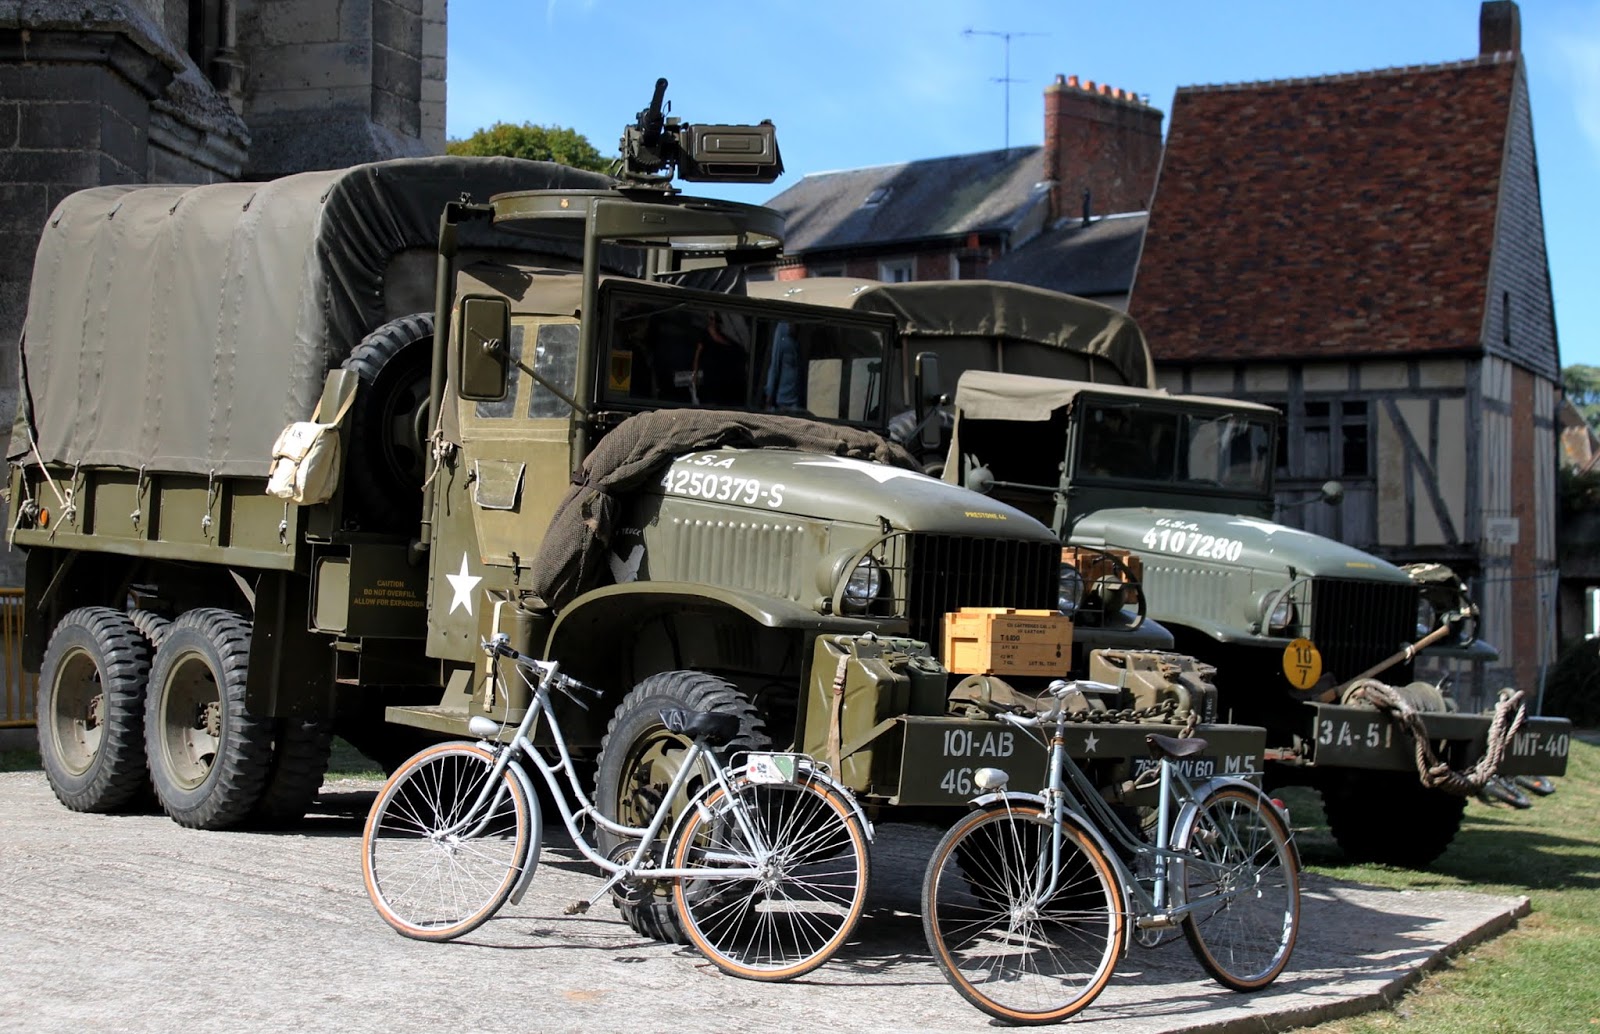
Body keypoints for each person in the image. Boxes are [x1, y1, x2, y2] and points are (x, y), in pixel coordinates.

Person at [763, 321, 804, 411]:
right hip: (782, 401)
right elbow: (775, 365)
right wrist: (769, 397)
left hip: (799, 403)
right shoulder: (782, 329)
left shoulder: (805, 329)